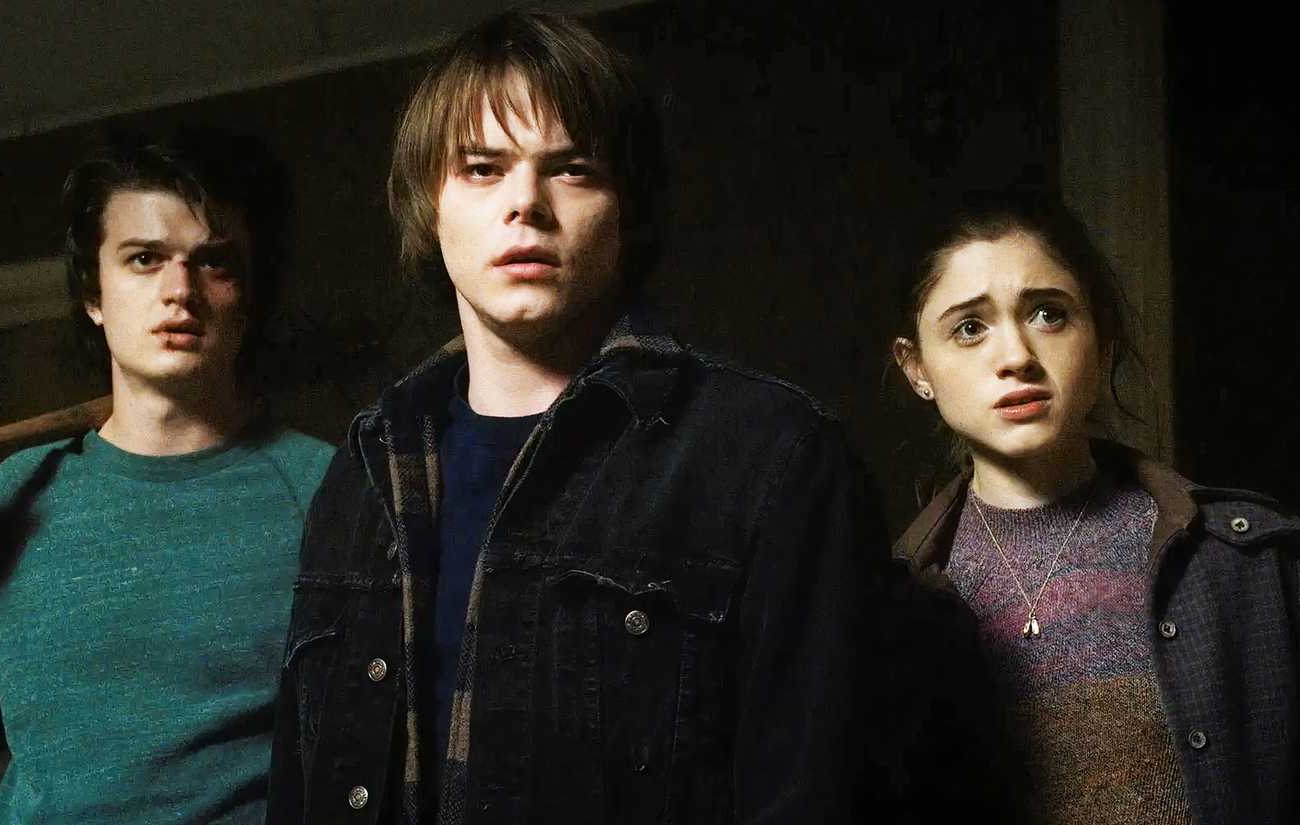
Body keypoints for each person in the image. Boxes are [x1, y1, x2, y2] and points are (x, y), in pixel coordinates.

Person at [265, 11, 973, 824]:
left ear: (627, 208)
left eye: (571, 170)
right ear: (431, 206)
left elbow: (813, 792)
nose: (525, 203)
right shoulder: (363, 472)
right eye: (483, 168)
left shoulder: (770, 458)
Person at [0, 129, 336, 823]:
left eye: (213, 262)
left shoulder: (325, 489)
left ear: (247, 295)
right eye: (144, 259)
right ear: (93, 293)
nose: (180, 291)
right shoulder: (23, 491)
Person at [889, 191, 1300, 824]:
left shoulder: (1254, 561)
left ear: (1103, 338)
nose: (1016, 358)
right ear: (917, 368)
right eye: (970, 328)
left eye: (1048, 314)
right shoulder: (893, 604)